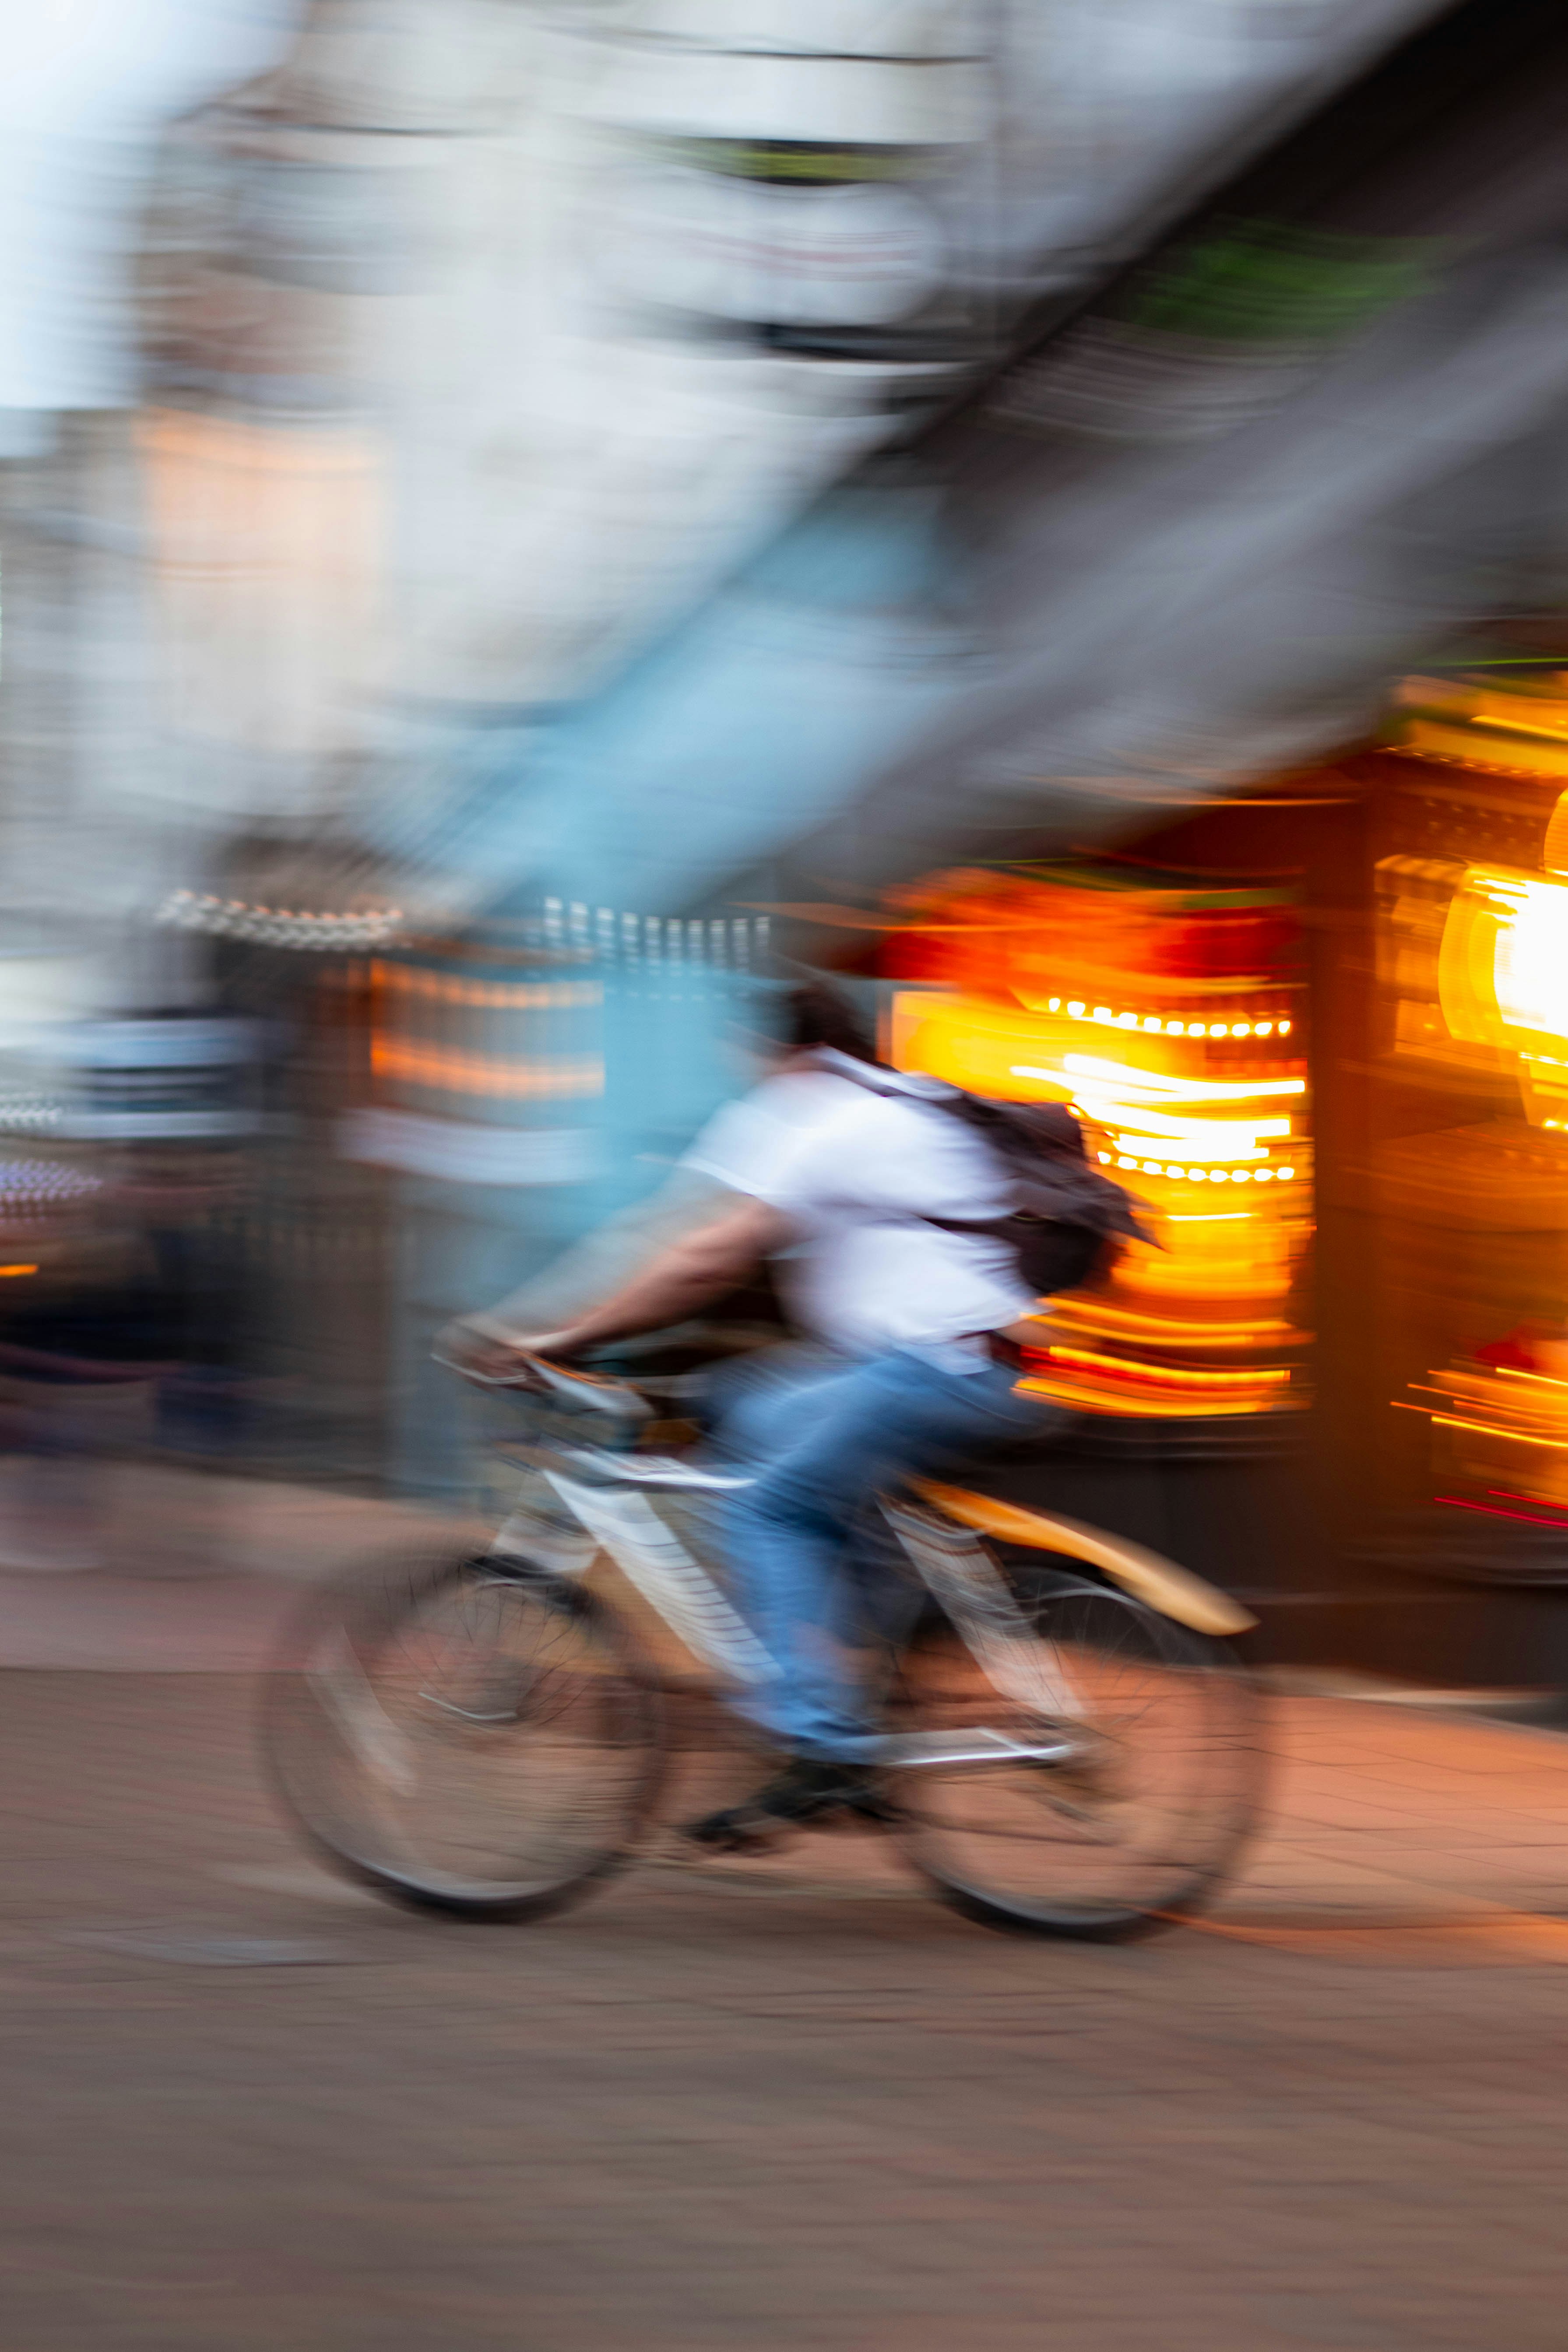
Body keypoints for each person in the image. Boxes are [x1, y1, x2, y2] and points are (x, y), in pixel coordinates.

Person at [448, 983, 1062, 1848]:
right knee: (743, 1408)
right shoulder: (892, 1103)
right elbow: (703, 1248)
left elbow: (702, 1253)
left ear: (784, 1052)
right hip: (948, 1359)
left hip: (931, 1366)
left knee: (765, 1503)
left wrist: (560, 1334)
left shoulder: (822, 1116)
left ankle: (820, 1744)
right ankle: (853, 1669)